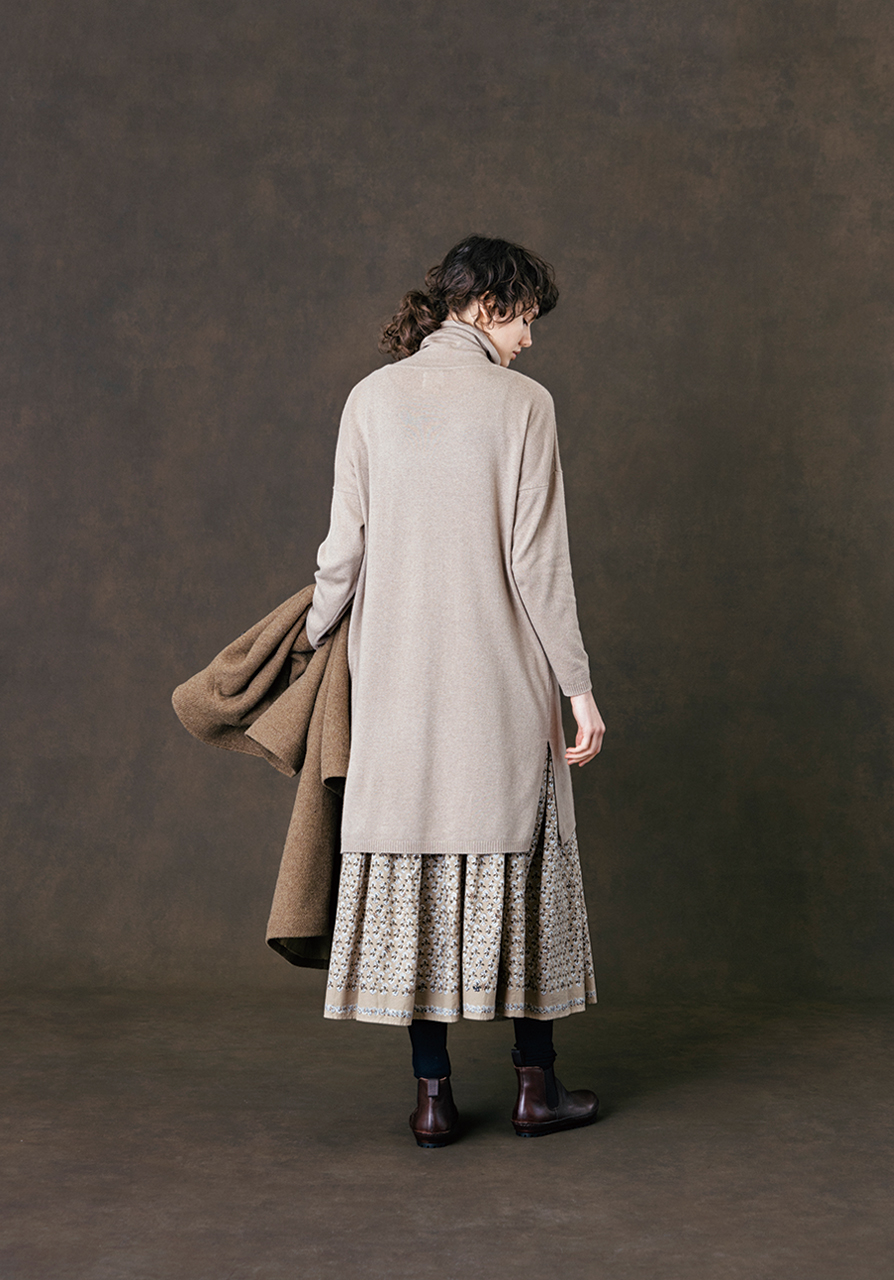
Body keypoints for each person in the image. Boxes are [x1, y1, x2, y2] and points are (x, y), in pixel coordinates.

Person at [305, 234, 606, 1147]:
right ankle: (534, 1089)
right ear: (486, 306)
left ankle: (433, 1099)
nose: (530, 339)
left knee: (419, 880)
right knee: (524, 875)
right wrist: (579, 689)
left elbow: (343, 551)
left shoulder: (370, 397)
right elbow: (539, 564)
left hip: (395, 688)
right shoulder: (524, 405)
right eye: (525, 319)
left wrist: (311, 637)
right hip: (500, 688)